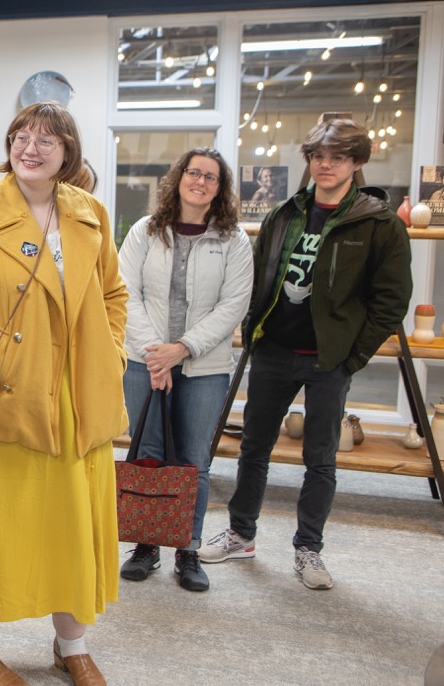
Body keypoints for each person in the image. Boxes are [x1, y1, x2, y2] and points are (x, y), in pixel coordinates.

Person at [0, 102, 127, 686]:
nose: (33, 147)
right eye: (23, 135)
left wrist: (112, 351)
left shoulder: (89, 211)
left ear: (67, 151)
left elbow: (114, 293)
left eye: (48, 139)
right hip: (3, 396)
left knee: (73, 525)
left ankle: (71, 645)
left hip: (78, 399)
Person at [200, 119, 411, 589]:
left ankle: (308, 549)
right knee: (253, 449)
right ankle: (240, 533)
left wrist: (351, 356)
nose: (326, 165)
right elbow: (260, 276)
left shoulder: (378, 224)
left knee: (321, 459)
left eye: (337, 157)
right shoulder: (285, 214)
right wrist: (252, 330)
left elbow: (391, 300)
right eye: (318, 156)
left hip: (329, 359)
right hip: (274, 350)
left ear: (357, 163)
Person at [117, 148, 253, 592]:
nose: (201, 181)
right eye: (194, 172)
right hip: (144, 363)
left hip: (205, 369)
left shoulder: (234, 240)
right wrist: (156, 354)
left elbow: (234, 305)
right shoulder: (145, 231)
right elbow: (124, 293)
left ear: (221, 188)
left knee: (193, 462)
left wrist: (182, 349)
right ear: (178, 178)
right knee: (149, 454)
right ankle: (146, 545)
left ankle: (187, 549)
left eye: (211, 177)